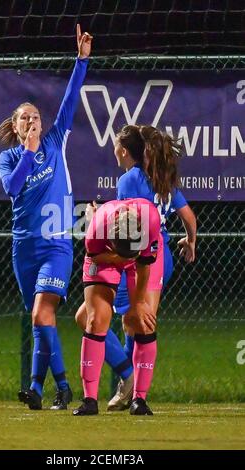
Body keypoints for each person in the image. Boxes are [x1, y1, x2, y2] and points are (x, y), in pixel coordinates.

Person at [0, 25, 93, 410]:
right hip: (24, 249)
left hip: (56, 243)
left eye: (35, 116)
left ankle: (58, 386)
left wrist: (81, 61)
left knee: (42, 310)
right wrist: (28, 152)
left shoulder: (55, 142)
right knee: (41, 319)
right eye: (25, 118)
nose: (32, 121)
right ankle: (46, 389)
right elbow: (12, 188)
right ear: (16, 126)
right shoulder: (9, 158)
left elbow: (70, 99)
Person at [75, 124, 197, 413]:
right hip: (148, 252)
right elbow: (188, 216)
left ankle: (132, 387)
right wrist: (191, 242)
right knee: (108, 318)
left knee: (136, 320)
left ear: (124, 150)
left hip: (147, 254)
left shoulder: (130, 181)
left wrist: (139, 299)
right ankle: (128, 382)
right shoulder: (161, 179)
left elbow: (134, 236)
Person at [73, 197, 162, 416]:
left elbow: (143, 266)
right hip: (105, 258)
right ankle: (89, 400)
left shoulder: (150, 221)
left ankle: (139, 400)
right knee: (95, 320)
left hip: (140, 262)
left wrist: (139, 303)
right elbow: (95, 255)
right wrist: (117, 257)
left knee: (144, 321)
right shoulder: (97, 230)